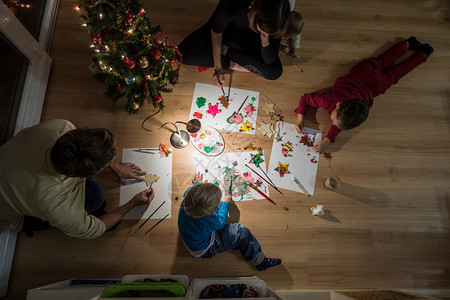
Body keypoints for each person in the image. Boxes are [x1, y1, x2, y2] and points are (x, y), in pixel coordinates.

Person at [0, 119, 154, 239]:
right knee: (96, 197)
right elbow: (96, 229)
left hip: (11, 169)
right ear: (82, 176)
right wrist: (132, 203)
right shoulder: (56, 204)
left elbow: (88, 145)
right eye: (105, 165)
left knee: (95, 193)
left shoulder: (60, 128)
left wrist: (115, 166)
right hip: (15, 213)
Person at [294, 37, 433, 153]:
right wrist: (300, 119)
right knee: (392, 65)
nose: (333, 124)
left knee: (392, 65)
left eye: (335, 122)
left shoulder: (340, 107)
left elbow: (338, 124)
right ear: (338, 105)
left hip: (373, 80)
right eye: (335, 122)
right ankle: (415, 49)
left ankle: (414, 48)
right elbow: (305, 99)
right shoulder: (329, 100)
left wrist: (327, 140)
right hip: (366, 74)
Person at [178, 172, 281, 271]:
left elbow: (195, 191)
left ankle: (233, 243)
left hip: (192, 237)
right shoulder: (208, 220)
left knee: (216, 205)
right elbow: (221, 222)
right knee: (242, 232)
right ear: (210, 213)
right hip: (205, 248)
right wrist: (226, 204)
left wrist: (197, 184)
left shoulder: (188, 199)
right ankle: (260, 262)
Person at [178, 0, 291, 87]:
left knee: (274, 73)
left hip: (252, 38)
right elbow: (216, 31)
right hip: (226, 29)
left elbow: (270, 60)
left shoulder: (280, 13)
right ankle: (229, 59)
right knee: (182, 55)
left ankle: (227, 52)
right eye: (262, 29)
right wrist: (218, 67)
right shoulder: (238, 5)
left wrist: (265, 41)